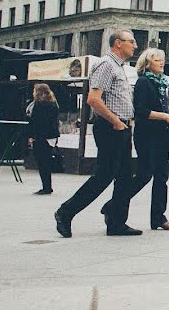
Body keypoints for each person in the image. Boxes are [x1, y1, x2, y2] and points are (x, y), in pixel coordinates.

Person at [55, 30, 141, 238]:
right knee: (103, 176)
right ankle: (65, 212)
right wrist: (116, 122)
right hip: (111, 127)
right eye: (131, 41)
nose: (135, 46)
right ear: (118, 44)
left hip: (121, 127)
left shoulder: (119, 67)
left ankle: (116, 222)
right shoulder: (106, 65)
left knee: (124, 177)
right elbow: (93, 100)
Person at [129, 48, 169, 231]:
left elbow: (163, 111)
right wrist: (166, 118)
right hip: (146, 136)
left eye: (162, 59)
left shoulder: (161, 84)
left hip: (161, 136)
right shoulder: (144, 82)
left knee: (161, 177)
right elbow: (141, 111)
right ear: (147, 63)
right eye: (157, 59)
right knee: (144, 175)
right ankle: (113, 205)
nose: (161, 62)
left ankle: (158, 218)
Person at [26, 83, 59, 195]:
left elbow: (34, 122)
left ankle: (46, 187)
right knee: (47, 162)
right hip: (51, 136)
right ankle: (47, 185)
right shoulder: (53, 103)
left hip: (40, 136)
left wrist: (31, 136)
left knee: (41, 162)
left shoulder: (38, 104)